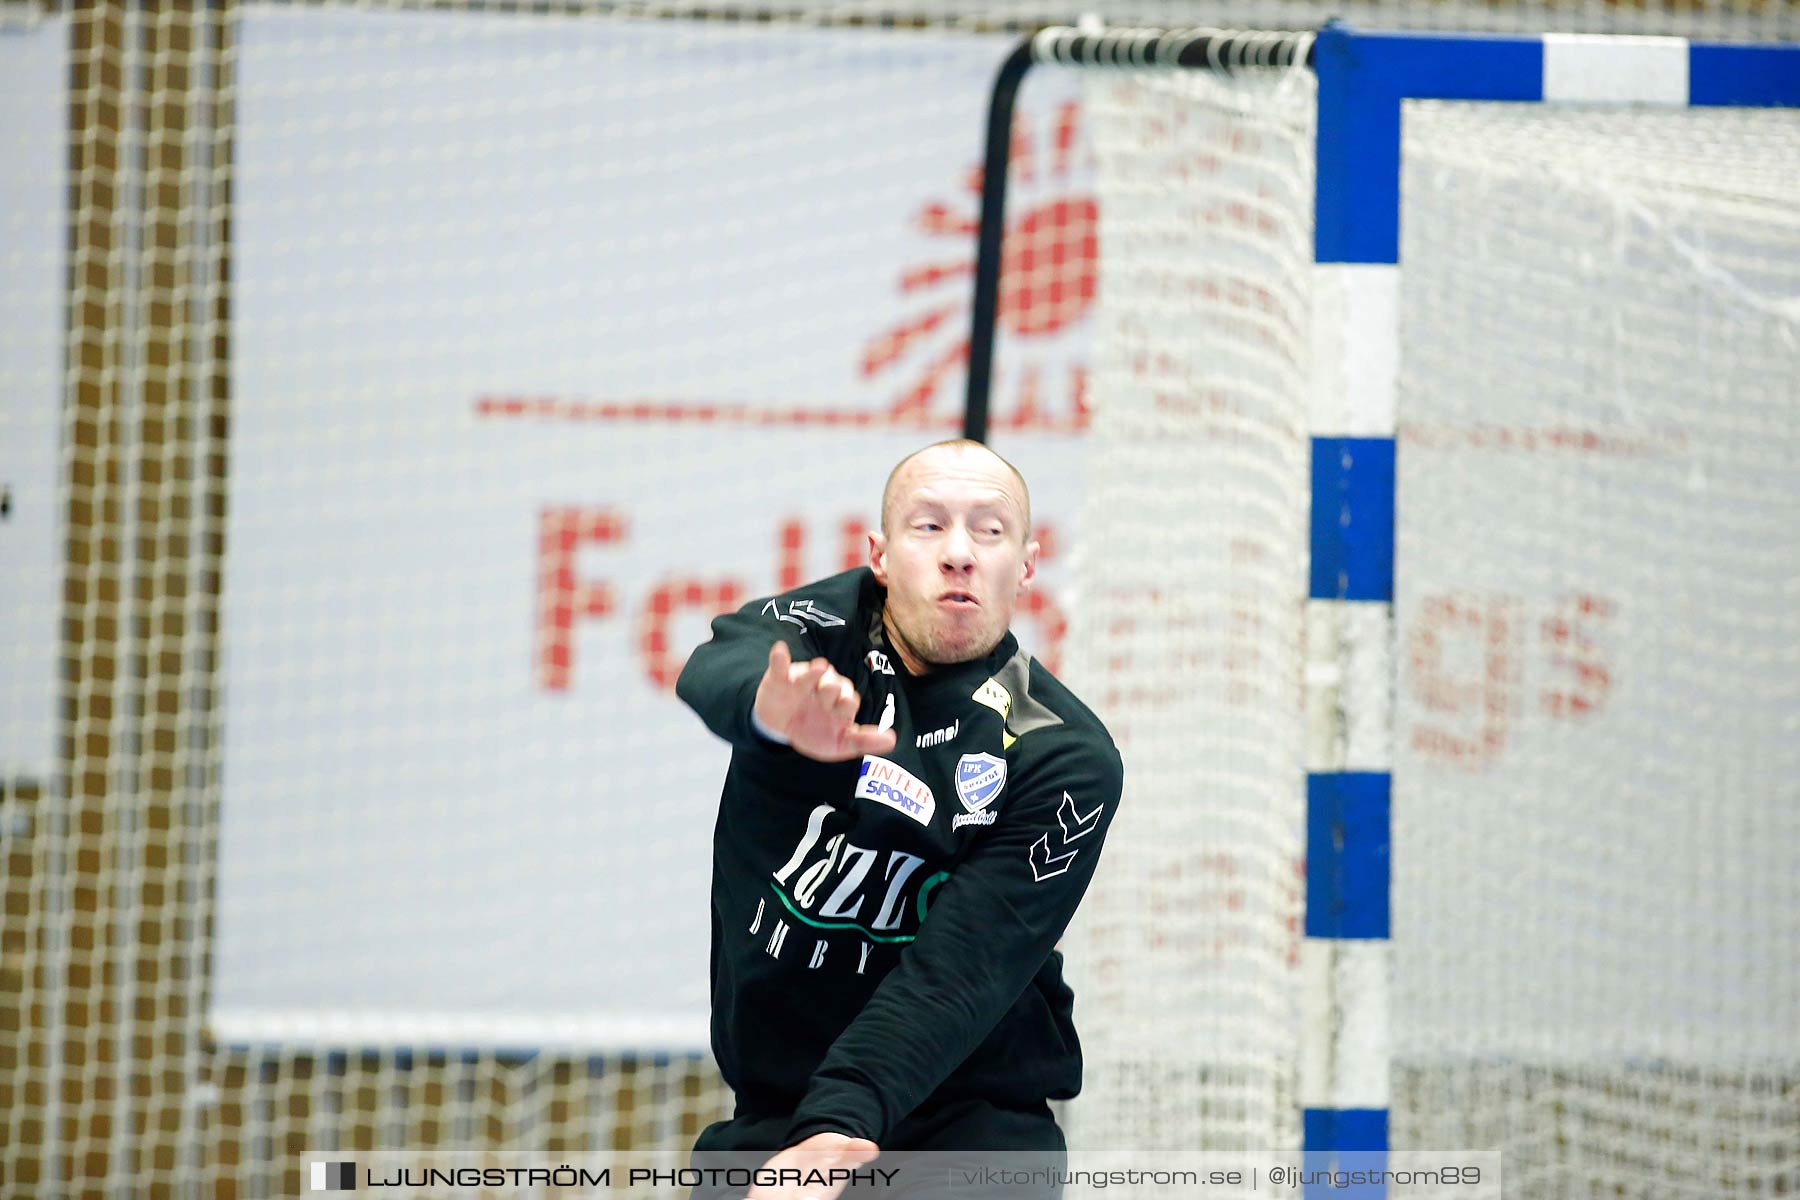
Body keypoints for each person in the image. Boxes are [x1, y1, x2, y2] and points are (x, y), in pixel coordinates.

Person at [675, 439, 1123, 1199]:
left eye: (990, 531)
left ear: (1026, 565)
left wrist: (833, 1132)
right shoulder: (813, 641)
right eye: (929, 527)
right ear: (879, 555)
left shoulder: (1064, 756)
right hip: (776, 1111)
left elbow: (957, 973)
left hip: (972, 1128)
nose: (959, 554)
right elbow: (718, 666)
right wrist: (770, 713)